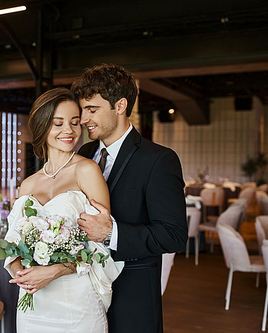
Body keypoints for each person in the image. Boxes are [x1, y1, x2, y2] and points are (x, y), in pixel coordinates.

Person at [71, 64, 188, 333]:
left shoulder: (159, 159)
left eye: (92, 110)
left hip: (132, 296)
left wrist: (112, 233)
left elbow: (174, 235)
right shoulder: (84, 153)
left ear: (120, 105)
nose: (84, 119)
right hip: (82, 294)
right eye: (82, 110)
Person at [5, 87, 122, 332]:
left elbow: (101, 243)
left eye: (74, 122)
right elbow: (12, 244)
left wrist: (55, 271)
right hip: (34, 305)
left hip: (76, 303)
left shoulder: (87, 171)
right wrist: (21, 275)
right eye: (58, 124)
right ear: (42, 127)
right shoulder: (28, 184)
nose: (68, 131)